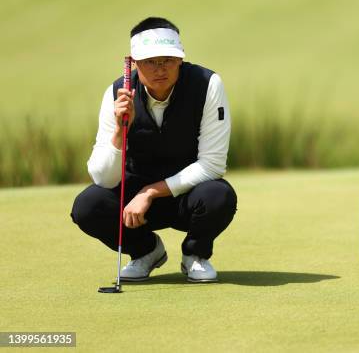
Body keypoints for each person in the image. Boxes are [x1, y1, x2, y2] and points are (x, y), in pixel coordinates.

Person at [70, 17, 237, 283]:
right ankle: (146, 251)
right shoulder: (117, 93)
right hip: (135, 206)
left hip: (188, 196)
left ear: (180, 59)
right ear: (134, 63)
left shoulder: (207, 84)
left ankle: (195, 255)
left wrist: (150, 192)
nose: (161, 69)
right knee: (88, 206)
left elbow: (212, 165)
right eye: (150, 61)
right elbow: (104, 178)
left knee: (219, 196)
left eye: (168, 60)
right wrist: (119, 132)